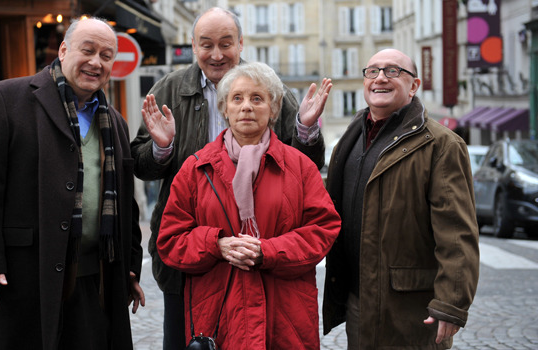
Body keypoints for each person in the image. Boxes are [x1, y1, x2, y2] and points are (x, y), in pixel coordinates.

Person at [130, 7, 327, 349]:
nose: (217, 54)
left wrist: (306, 130)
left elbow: (304, 167)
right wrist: (163, 149)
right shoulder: (171, 90)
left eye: (226, 43)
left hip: (268, 260)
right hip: (195, 264)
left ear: (241, 44)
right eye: (207, 44)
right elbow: (142, 166)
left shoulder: (270, 87)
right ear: (193, 46)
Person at [0, 17, 145, 350]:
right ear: (63, 50)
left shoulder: (114, 121)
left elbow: (126, 201)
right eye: (87, 51)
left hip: (95, 278)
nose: (96, 62)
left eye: (106, 55)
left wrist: (130, 267)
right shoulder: (7, 99)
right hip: (24, 277)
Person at [156, 62, 341, 349]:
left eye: (257, 98)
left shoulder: (300, 167)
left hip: (286, 318)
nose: (246, 107)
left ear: (273, 109)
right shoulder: (196, 169)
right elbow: (170, 240)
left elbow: (323, 229)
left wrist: (266, 251)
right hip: (218, 316)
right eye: (237, 98)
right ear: (224, 109)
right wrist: (217, 245)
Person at [322, 48, 480, 349]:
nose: (380, 78)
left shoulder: (441, 144)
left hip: (412, 310)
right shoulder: (350, 139)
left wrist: (451, 303)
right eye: (372, 71)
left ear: (414, 85)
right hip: (360, 300)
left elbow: (457, 232)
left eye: (393, 71)